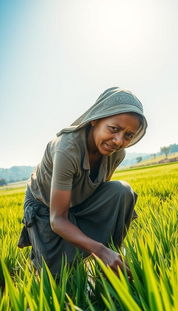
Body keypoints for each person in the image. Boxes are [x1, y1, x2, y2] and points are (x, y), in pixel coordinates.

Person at [18, 87, 147, 275]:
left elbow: (99, 191)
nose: (119, 141)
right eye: (114, 129)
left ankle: (110, 268)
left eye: (128, 135)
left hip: (77, 200)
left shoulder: (116, 153)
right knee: (56, 278)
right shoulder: (66, 148)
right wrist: (100, 250)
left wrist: (104, 249)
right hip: (46, 206)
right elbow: (58, 219)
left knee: (122, 192)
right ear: (95, 119)